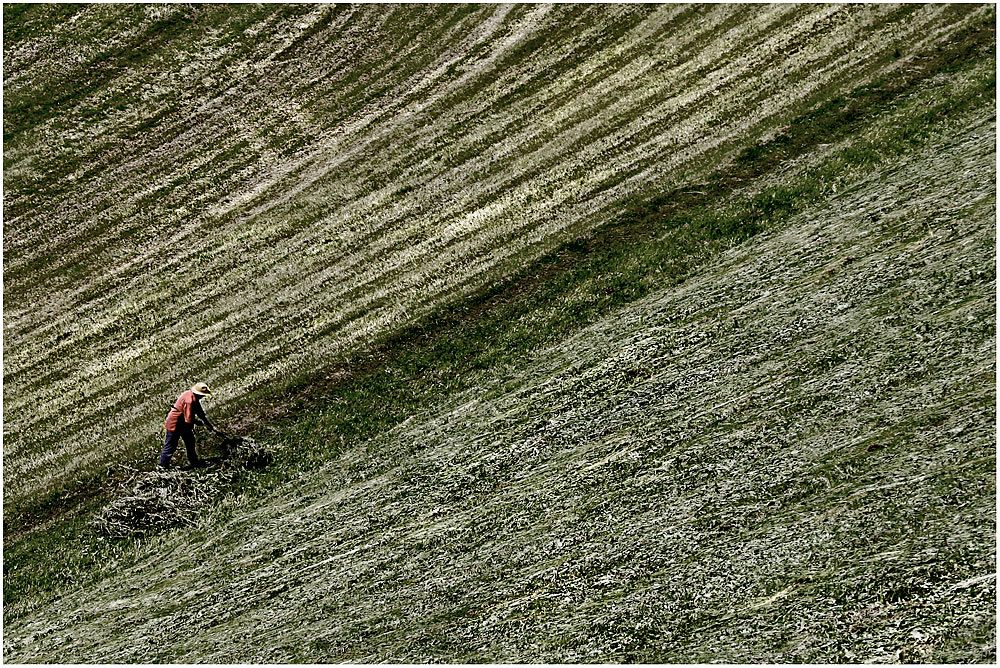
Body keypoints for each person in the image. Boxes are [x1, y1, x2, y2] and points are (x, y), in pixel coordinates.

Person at [158, 382, 217, 468]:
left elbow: (200, 412)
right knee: (170, 445)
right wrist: (197, 423)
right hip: (175, 423)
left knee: (190, 441)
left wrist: (207, 423)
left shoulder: (192, 396)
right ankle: (162, 466)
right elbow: (188, 419)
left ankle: (194, 462)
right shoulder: (190, 400)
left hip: (182, 424)